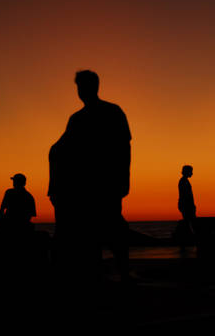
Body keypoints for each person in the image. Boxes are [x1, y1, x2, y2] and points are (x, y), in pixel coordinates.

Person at [48, 70, 131, 283]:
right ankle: (95, 274)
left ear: (95, 86)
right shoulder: (77, 119)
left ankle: (123, 272)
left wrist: (123, 180)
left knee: (114, 228)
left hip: (106, 184)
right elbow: (61, 149)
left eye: (84, 86)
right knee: (89, 232)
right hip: (81, 187)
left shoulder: (112, 112)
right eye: (79, 87)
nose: (81, 91)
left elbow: (123, 148)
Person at [175, 165, 196, 248]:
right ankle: (185, 239)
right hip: (186, 205)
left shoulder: (185, 181)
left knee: (188, 221)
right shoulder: (183, 181)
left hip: (186, 204)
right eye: (191, 171)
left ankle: (186, 238)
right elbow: (185, 195)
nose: (192, 173)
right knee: (189, 221)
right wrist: (190, 205)